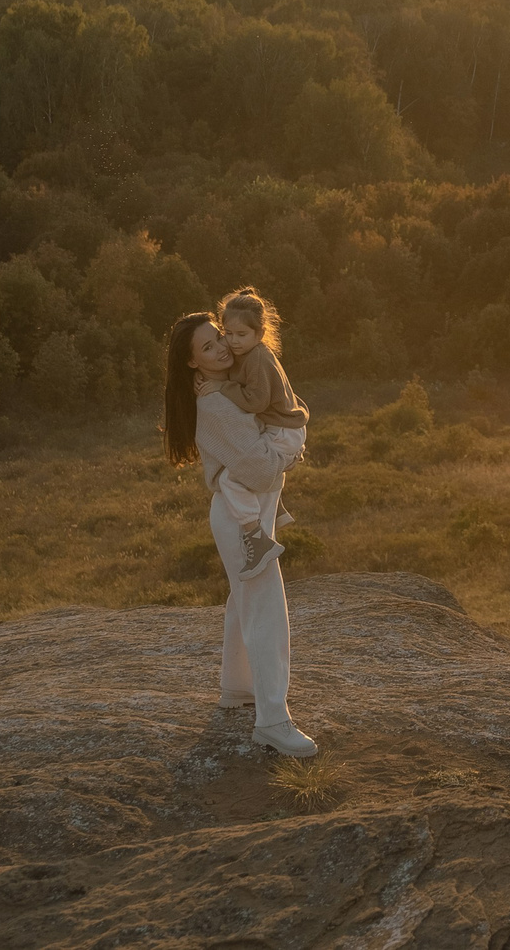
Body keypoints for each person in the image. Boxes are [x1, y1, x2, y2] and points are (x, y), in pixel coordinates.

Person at [164, 310, 316, 757]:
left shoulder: (235, 381)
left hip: (241, 515)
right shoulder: (215, 404)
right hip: (239, 521)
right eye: (208, 347)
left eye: (219, 337)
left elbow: (277, 408)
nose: (222, 348)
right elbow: (262, 470)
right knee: (265, 609)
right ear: (192, 362)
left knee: (243, 599)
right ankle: (273, 721)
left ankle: (237, 687)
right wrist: (291, 455)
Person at [212, 286, 308, 580]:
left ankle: (257, 539)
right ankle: (276, 509)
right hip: (282, 429)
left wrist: (221, 387)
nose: (233, 341)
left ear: (260, 333)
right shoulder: (251, 354)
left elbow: (255, 402)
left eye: (241, 335)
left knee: (230, 478)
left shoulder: (257, 358)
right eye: (228, 333)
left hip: (282, 432)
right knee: (250, 464)